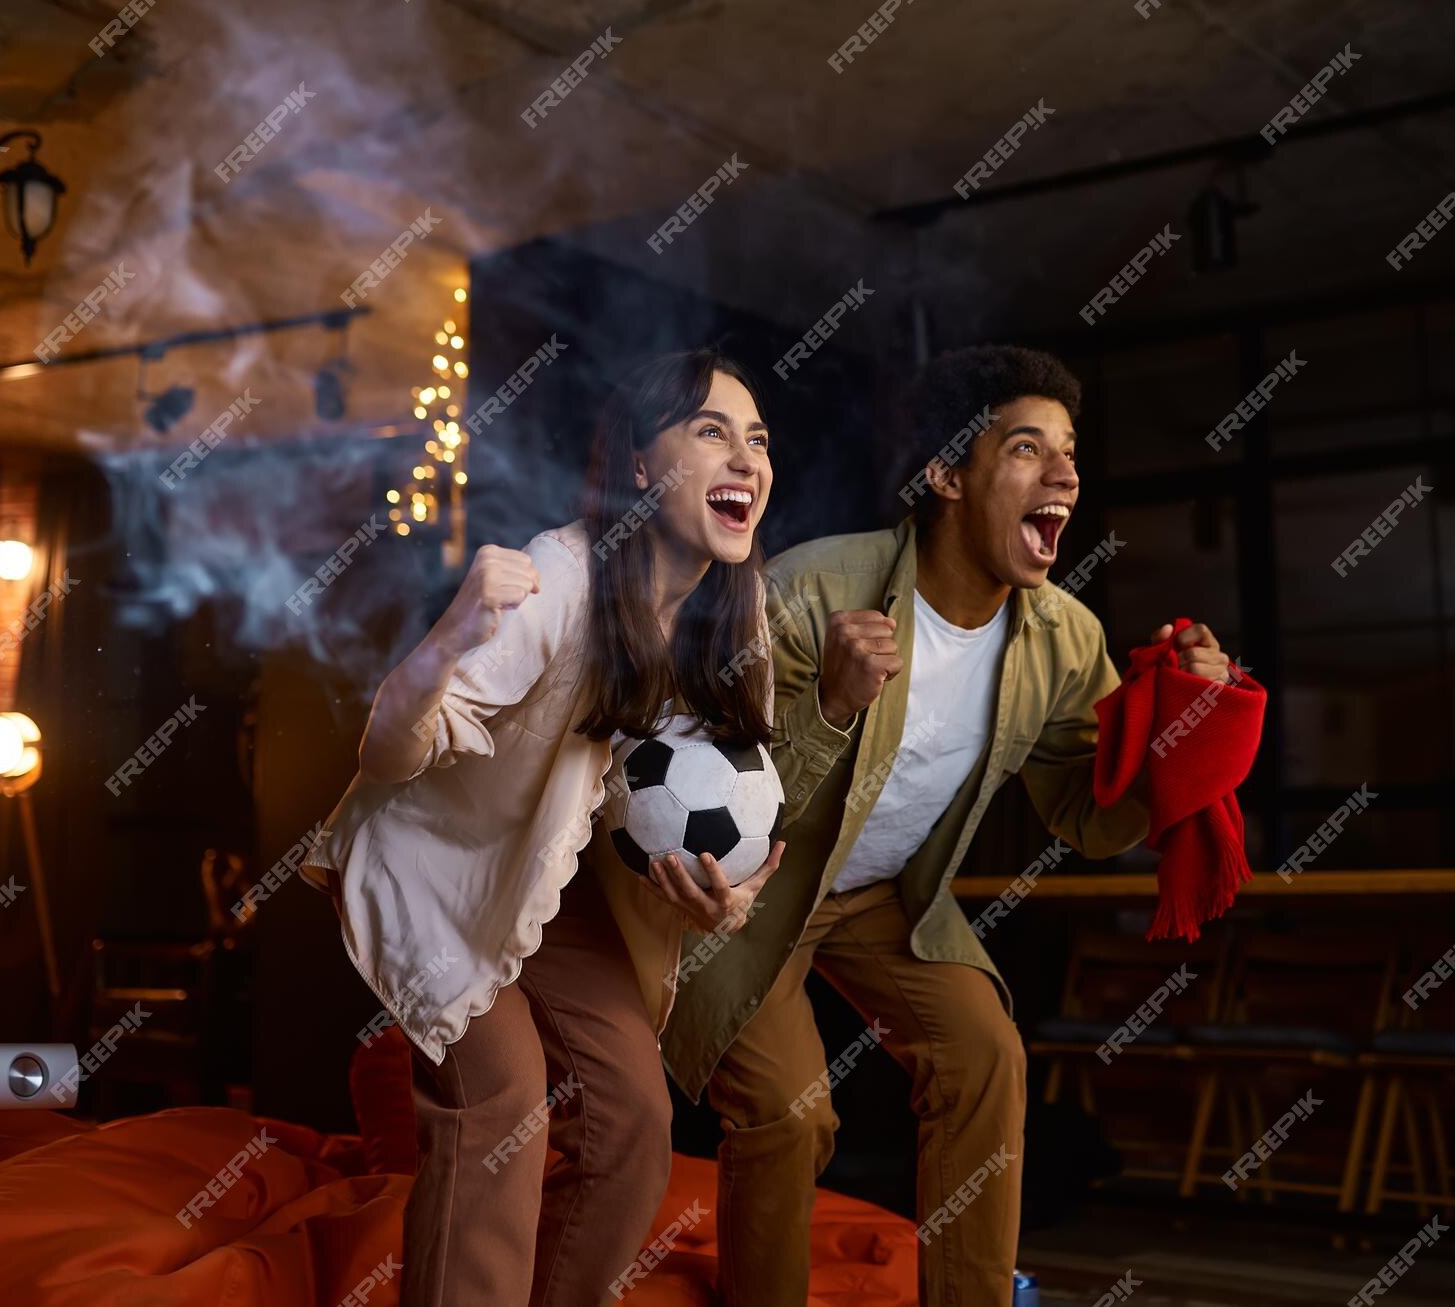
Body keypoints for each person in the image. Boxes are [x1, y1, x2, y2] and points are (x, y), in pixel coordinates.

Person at [662, 344, 1237, 1306]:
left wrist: (1184, 722)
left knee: (984, 1056)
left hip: (889, 899)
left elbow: (1088, 819)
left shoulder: (1064, 636)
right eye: (1025, 448)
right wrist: (835, 706)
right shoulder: (807, 590)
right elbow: (715, 804)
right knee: (790, 1112)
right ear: (945, 475)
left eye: (1068, 454)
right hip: (758, 891)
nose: (1063, 475)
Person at [302, 349, 787, 1306]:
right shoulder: (560, 576)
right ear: (642, 468)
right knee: (501, 1097)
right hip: (435, 869)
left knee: (634, 1117)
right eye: (712, 431)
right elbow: (391, 757)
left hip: (545, 881)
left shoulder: (736, 614)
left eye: (759, 439)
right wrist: (446, 640)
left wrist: (731, 890)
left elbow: (734, 800)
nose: (747, 459)